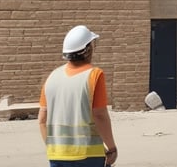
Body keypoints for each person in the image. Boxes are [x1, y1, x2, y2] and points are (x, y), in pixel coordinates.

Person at [39, 25, 118, 167]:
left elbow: (42, 119)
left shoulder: (52, 77)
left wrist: (53, 148)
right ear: (87, 50)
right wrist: (111, 148)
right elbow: (99, 115)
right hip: (88, 156)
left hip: (57, 155)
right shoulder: (94, 75)